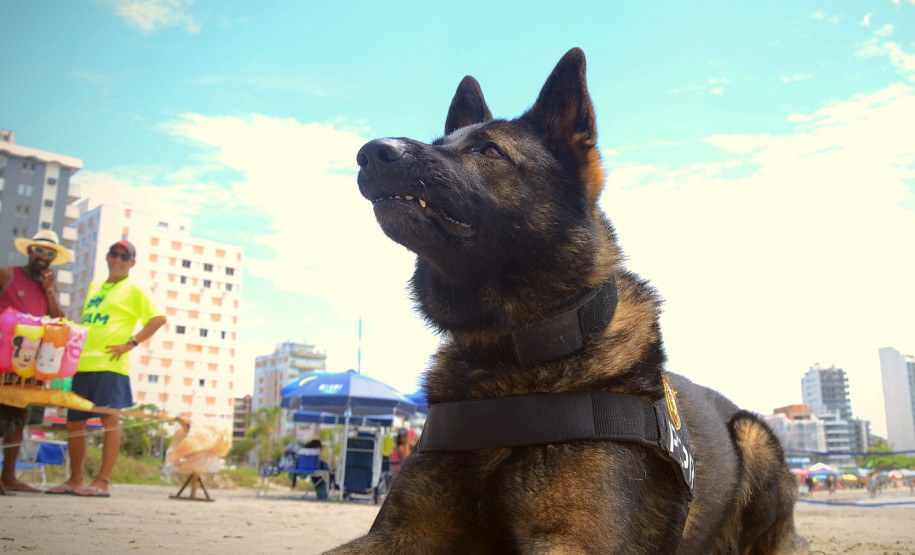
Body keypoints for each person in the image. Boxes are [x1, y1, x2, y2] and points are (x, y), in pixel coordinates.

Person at [47, 240, 166, 497]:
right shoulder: (94, 286)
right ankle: (75, 479)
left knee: (110, 421)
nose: (118, 260)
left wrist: (130, 343)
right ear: (107, 256)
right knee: (74, 422)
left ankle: (102, 481)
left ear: (132, 263)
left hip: (111, 365)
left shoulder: (135, 288)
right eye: (114, 254)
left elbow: (158, 318)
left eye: (124, 257)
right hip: (83, 364)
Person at [0, 230, 71, 494]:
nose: (44, 256)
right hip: (2, 356)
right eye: (40, 250)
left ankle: (9, 477)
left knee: (19, 419)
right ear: (30, 251)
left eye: (50, 253)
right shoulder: (7, 274)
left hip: (28, 363)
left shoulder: (48, 286)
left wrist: (50, 290)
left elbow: (58, 321)